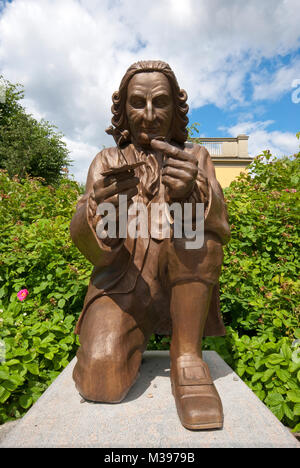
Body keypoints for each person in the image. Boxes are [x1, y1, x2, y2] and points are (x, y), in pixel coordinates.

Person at [70, 60, 230, 430]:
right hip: (123, 286)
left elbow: (218, 227)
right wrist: (101, 211)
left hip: (183, 283)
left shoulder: (195, 157)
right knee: (100, 379)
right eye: (137, 103)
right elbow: (96, 250)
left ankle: (187, 357)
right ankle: (124, 343)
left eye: (160, 103)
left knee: (196, 222)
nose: (149, 114)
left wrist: (191, 193)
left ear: (176, 109)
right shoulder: (108, 161)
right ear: (123, 110)